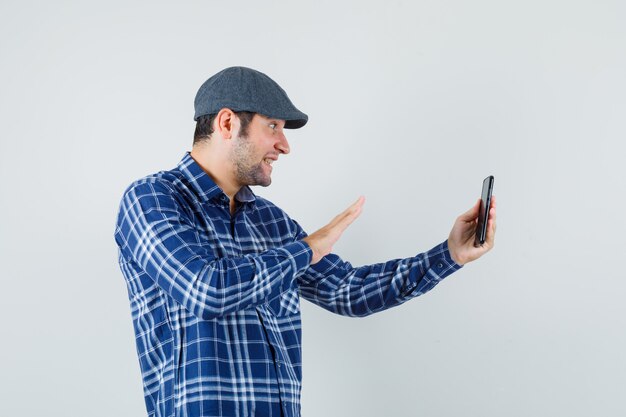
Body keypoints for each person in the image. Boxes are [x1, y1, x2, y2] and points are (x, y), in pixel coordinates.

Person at [114, 66, 496, 417]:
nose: (284, 145)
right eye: (273, 126)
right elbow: (206, 289)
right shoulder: (151, 199)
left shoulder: (271, 222)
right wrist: (309, 248)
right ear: (228, 123)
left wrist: (449, 255)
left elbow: (348, 291)